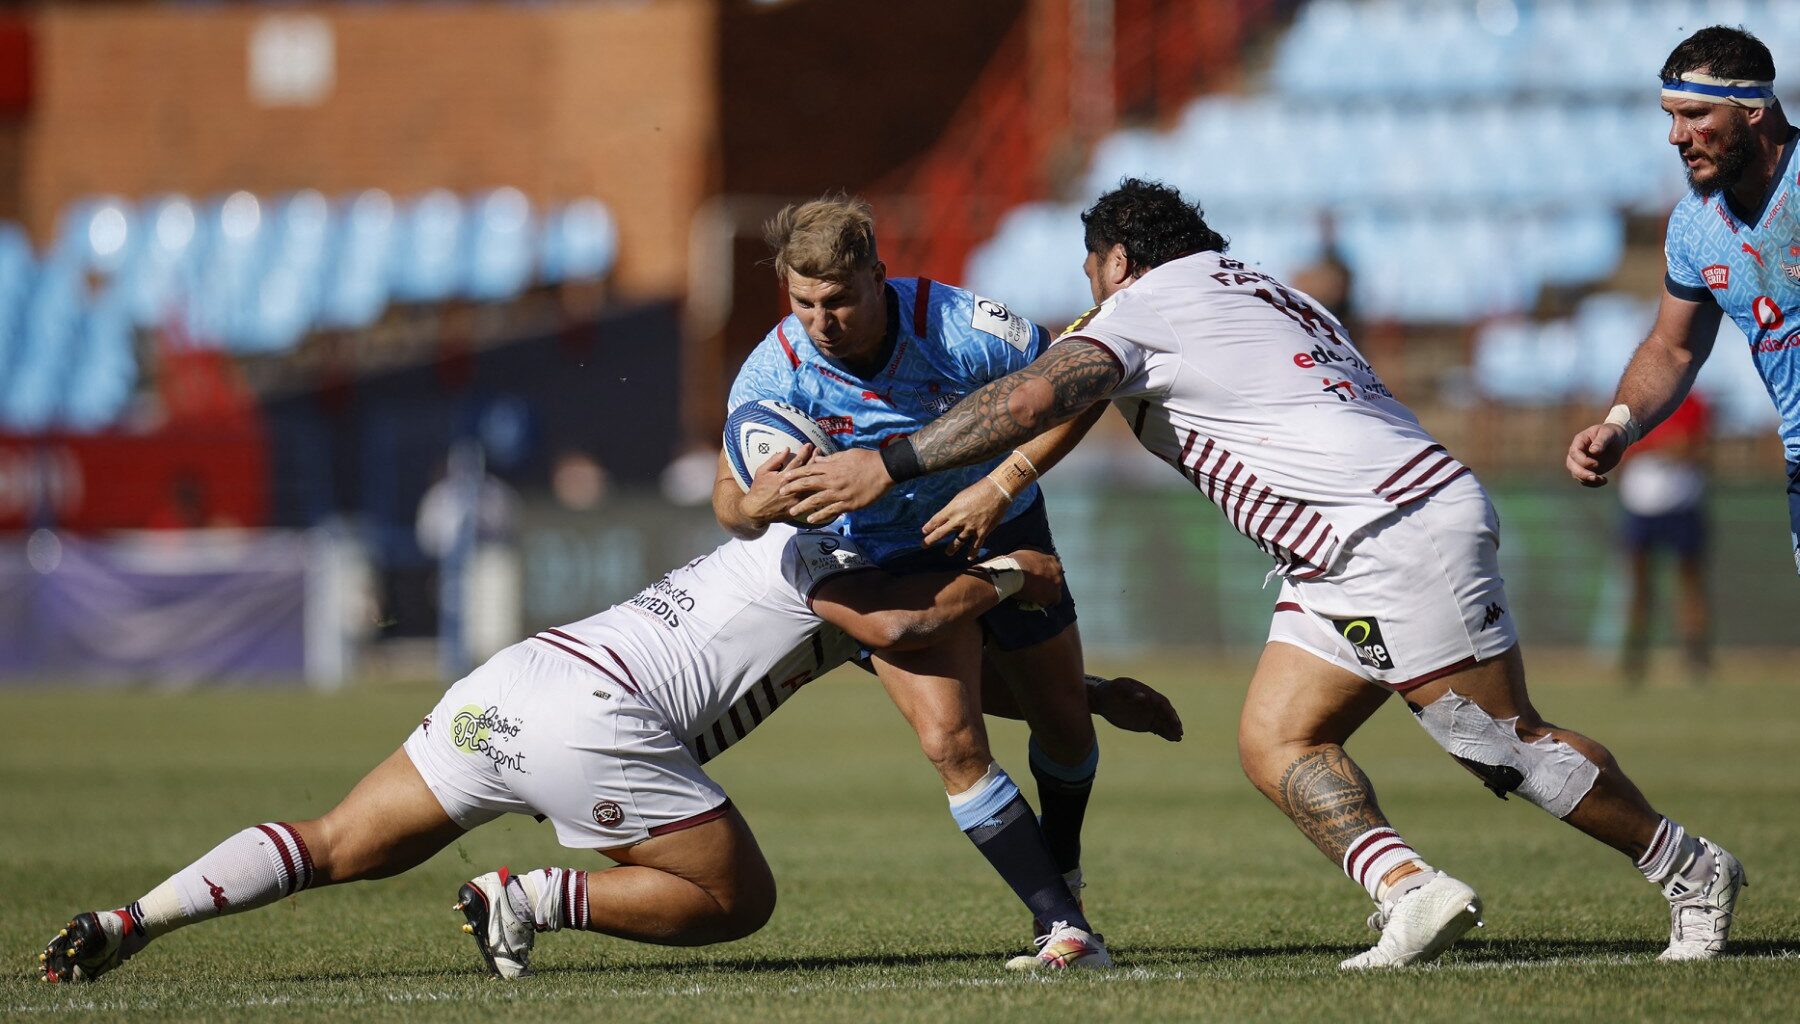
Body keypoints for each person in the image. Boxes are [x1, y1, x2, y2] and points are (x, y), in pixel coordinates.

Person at [785, 178, 1746, 967]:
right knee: (1274, 740)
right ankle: (1411, 892)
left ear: (1119, 258)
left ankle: (1688, 866)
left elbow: (1046, 388)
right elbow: (1088, 389)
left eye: (1094, 275)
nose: (1093, 297)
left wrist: (896, 462)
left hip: (1385, 529)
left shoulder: (1148, 303)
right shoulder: (1242, 285)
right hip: (1343, 545)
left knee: (1500, 742)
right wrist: (1010, 480)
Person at [39, 454, 1181, 984]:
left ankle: (133, 917)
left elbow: (913, 650)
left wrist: (1082, 696)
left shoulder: (835, 570)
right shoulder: (825, 552)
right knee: (737, 900)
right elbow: (903, 630)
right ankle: (525, 894)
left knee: (334, 841)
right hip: (597, 716)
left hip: (515, 682)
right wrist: (1022, 577)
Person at [715, 195, 1117, 961]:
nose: (820, 320)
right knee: (951, 741)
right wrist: (752, 506)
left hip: (1001, 524)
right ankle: (1061, 922)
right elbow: (728, 502)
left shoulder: (962, 328)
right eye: (803, 303)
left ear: (878, 275)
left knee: (1063, 724)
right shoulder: (775, 373)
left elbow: (1084, 383)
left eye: (838, 299)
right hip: (882, 559)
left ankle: (1062, 867)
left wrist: (1002, 483)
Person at [1565, 25, 1800, 578]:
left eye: (1695, 115)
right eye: (1671, 116)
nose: (1676, 135)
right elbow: (1673, 349)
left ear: (1754, 110)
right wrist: (1620, 425)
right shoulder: (1695, 225)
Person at [1616, 394, 1712, 687]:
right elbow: (1623, 448)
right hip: (1640, 505)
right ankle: (1635, 658)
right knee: (1640, 586)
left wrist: (1669, 448)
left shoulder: (1695, 402)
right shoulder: (1629, 401)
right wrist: (1667, 446)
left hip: (1683, 503)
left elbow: (1695, 447)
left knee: (1690, 583)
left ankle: (1696, 657)